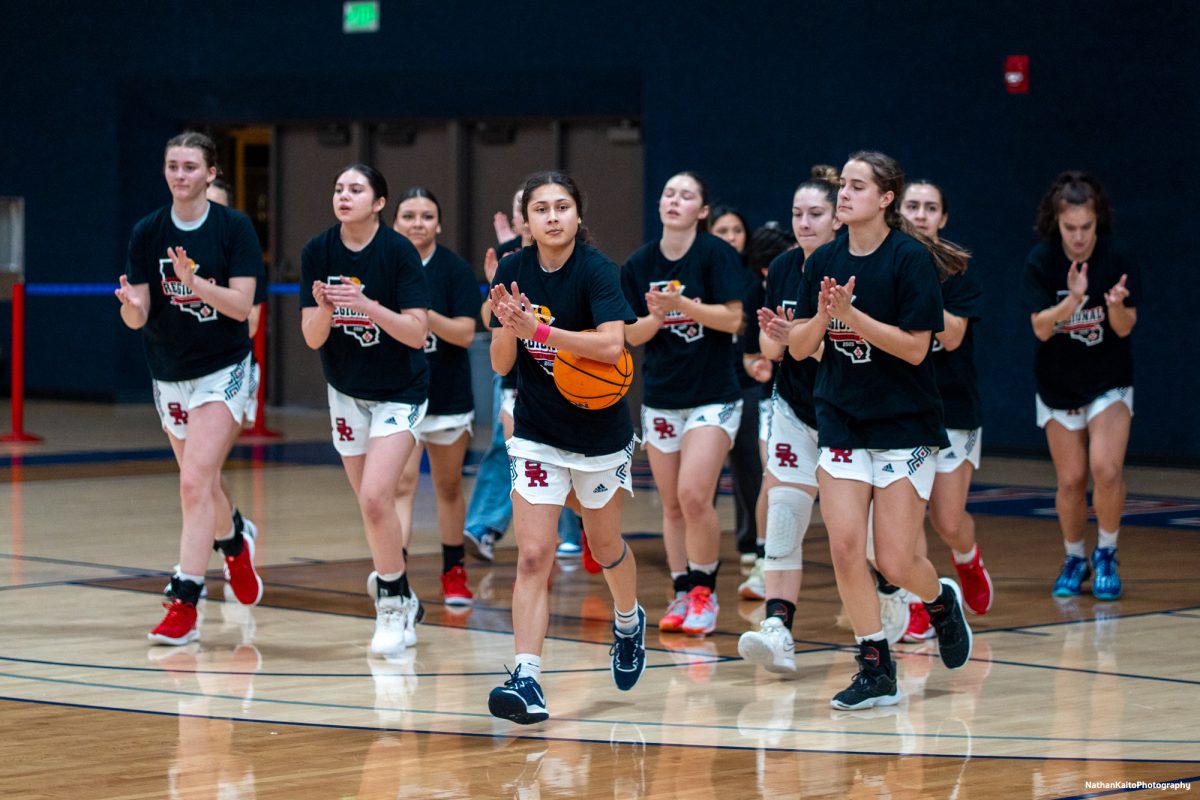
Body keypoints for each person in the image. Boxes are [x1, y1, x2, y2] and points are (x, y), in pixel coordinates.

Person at [787, 151, 974, 709]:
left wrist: (854, 317)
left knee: (893, 560)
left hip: (903, 422)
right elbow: (799, 348)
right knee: (846, 549)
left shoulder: (909, 260)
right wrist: (824, 317)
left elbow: (917, 350)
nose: (843, 194)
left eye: (857, 186)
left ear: (886, 198)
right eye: (842, 184)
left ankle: (939, 601)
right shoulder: (823, 259)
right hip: (840, 416)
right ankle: (875, 665)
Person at [486, 171, 645, 724]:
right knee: (534, 553)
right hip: (537, 432)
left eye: (561, 207)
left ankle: (628, 621)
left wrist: (542, 331)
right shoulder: (512, 271)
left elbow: (611, 344)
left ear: (578, 215)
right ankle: (526, 677)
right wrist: (509, 325)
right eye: (541, 209)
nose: (552, 217)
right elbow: (501, 364)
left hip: (599, 434)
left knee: (603, 546)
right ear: (526, 220)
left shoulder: (598, 271)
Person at [116, 131, 263, 645]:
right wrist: (132, 309)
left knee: (193, 482)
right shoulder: (147, 231)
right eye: (172, 165)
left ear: (211, 173)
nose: (180, 174)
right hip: (168, 371)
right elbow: (137, 314)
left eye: (189, 166)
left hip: (224, 368)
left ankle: (185, 601)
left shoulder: (233, 229)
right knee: (200, 482)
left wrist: (194, 282)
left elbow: (243, 307)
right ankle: (235, 544)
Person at [300, 164, 430, 655]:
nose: (344, 195)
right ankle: (405, 593)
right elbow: (312, 336)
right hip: (346, 392)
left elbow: (417, 333)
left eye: (356, 189)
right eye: (338, 188)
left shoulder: (397, 253)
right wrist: (329, 311)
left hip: (401, 390)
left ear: (378, 203)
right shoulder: (318, 250)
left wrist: (364, 303)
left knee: (378, 496)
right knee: (371, 506)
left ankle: (392, 604)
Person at [622, 172, 745, 637]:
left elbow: (733, 318)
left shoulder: (716, 255)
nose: (675, 200)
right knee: (671, 505)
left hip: (713, 395)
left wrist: (684, 305)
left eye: (686, 195)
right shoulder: (638, 264)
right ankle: (681, 588)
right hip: (662, 397)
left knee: (695, 495)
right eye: (668, 193)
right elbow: (629, 335)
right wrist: (655, 317)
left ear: (703, 210)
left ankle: (704, 592)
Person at [737, 166, 844, 674]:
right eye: (798, 214)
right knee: (781, 515)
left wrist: (803, 338)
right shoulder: (781, 268)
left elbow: (849, 352)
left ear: (837, 219)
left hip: (851, 413)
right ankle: (777, 628)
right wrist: (779, 335)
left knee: (862, 540)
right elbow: (769, 347)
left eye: (815, 214)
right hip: (793, 410)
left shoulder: (851, 269)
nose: (804, 222)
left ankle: (898, 599)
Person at [1022, 171, 1138, 601]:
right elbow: (1040, 328)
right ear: (1058, 223)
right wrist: (1071, 300)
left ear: (1097, 221)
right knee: (1071, 480)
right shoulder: (1041, 260)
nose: (1077, 237)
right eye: (1070, 228)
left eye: (1085, 228)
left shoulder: (1118, 258)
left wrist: (1115, 307)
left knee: (1106, 469)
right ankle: (1075, 557)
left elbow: (1125, 329)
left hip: (1109, 380)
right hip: (1058, 384)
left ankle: (1107, 552)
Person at [464, 184, 584, 563]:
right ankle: (485, 527)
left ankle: (581, 530)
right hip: (517, 379)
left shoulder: (580, 262)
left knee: (566, 456)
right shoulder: (508, 260)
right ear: (522, 217)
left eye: (556, 206)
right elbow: (488, 322)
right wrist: (494, 297)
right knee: (510, 450)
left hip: (569, 375)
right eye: (527, 207)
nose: (542, 214)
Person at [897, 180, 993, 641]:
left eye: (930, 207)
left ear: (943, 218)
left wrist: (918, 279)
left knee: (948, 521)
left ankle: (966, 556)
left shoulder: (959, 269)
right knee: (908, 515)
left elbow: (951, 334)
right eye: (912, 205)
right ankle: (919, 601)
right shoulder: (887, 259)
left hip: (953, 407)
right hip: (905, 408)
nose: (920, 214)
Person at [391, 187, 480, 607]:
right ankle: (396, 577)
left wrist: (422, 315)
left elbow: (464, 334)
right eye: (409, 216)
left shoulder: (454, 270)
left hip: (446, 394)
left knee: (446, 486)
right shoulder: (384, 264)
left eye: (427, 216)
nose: (417, 223)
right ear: (395, 222)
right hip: (397, 392)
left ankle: (453, 569)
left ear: (439, 224)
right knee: (402, 484)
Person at [709, 205, 765, 573]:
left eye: (736, 230)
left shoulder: (753, 280)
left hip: (744, 381)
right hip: (708, 382)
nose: (730, 237)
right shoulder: (701, 274)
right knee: (703, 472)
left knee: (749, 464)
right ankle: (697, 545)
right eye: (722, 230)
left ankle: (750, 541)